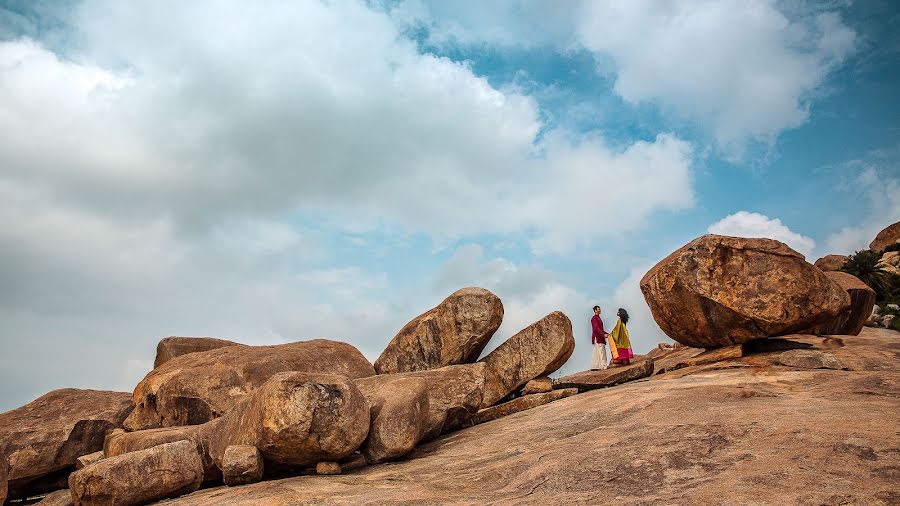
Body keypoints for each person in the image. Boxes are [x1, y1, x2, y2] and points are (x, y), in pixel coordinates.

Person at [590, 306, 609, 370]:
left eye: (600, 309)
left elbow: (600, 329)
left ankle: (600, 366)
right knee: (601, 351)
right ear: (595, 310)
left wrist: (606, 333)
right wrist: (603, 335)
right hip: (597, 337)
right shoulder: (594, 318)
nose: (599, 310)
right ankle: (603, 366)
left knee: (601, 351)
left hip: (600, 336)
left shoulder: (598, 318)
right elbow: (596, 328)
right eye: (598, 309)